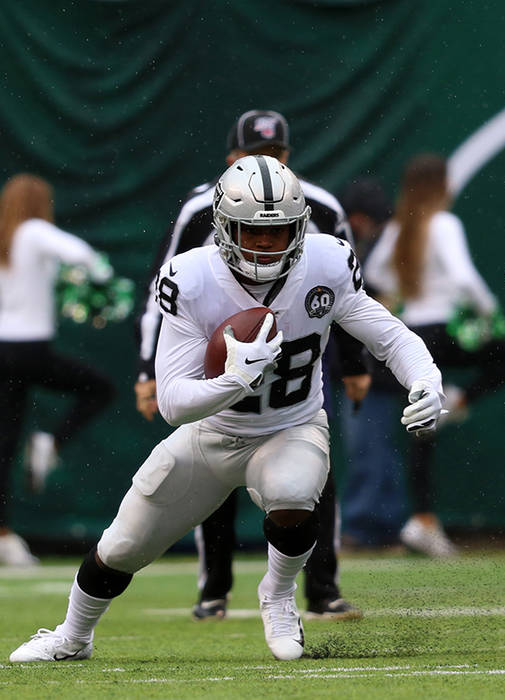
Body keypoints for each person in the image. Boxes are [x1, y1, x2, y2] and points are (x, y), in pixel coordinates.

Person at [9, 156, 444, 663]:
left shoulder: (326, 263)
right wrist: (233, 380)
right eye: (251, 231)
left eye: (279, 231)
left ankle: (278, 595)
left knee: (294, 491)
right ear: (223, 227)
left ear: (300, 228)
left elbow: (387, 334)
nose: (265, 243)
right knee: (122, 547)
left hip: (292, 426)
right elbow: (172, 402)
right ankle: (72, 636)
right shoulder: (192, 278)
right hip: (213, 432)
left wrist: (425, 378)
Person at [134, 109, 367, 621]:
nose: (266, 162)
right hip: (219, 356)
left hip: (297, 360)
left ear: (288, 157)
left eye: (276, 153)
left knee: (308, 473)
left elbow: (347, 294)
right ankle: (214, 587)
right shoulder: (201, 209)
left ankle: (322, 587)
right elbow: (161, 292)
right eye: (252, 153)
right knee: (213, 467)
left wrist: (354, 362)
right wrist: (148, 371)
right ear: (231, 158)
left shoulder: (318, 207)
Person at [366, 154, 505, 557]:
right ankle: (458, 401)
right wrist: (491, 314)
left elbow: (375, 275)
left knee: (424, 434)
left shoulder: (398, 228)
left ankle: (422, 520)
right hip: (445, 332)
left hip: (414, 338)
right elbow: (462, 277)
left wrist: (407, 297)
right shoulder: (442, 223)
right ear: (440, 185)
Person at [0, 174, 115, 566]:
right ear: (37, 204)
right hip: (31, 349)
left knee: (4, 443)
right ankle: (51, 443)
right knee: (100, 388)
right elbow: (83, 254)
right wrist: (100, 283)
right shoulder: (35, 231)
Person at [335, 178, 409, 547]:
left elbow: (391, 302)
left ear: (360, 217)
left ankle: (366, 528)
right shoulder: (377, 242)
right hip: (376, 363)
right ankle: (387, 527)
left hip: (374, 364)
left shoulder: (386, 245)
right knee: (379, 448)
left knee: (369, 447)